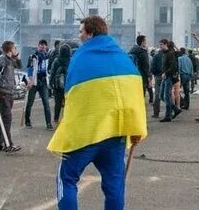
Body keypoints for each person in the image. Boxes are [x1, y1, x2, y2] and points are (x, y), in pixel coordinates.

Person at [48, 16, 146, 210]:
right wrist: (137, 127)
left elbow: (72, 95)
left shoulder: (80, 57)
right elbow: (134, 93)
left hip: (85, 134)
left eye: (81, 31)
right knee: (115, 186)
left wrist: (65, 124)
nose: (79, 35)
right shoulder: (122, 57)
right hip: (115, 133)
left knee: (66, 178)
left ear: (90, 33)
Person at [0, 41, 21, 153]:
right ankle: (8, 143)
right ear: (10, 49)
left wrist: (17, 57)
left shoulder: (10, 60)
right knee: (7, 119)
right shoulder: (1, 59)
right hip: (3, 93)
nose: (15, 49)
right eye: (14, 48)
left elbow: (20, 66)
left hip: (9, 92)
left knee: (3, 118)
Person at [25, 39, 53, 130]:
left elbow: (49, 69)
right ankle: (27, 121)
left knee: (46, 103)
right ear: (38, 46)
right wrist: (30, 79)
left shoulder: (48, 56)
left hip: (44, 81)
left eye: (44, 45)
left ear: (46, 46)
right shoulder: (33, 56)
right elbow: (29, 68)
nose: (42, 46)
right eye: (41, 45)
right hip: (34, 81)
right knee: (30, 102)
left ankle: (48, 123)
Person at [158, 39, 182, 122]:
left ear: (165, 44)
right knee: (161, 95)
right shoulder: (164, 54)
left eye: (161, 44)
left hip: (169, 77)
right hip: (165, 76)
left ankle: (168, 115)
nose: (160, 46)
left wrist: (166, 73)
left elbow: (173, 67)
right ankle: (175, 109)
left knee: (166, 96)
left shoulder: (170, 53)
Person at [50, 43, 72, 124]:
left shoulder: (56, 60)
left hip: (57, 86)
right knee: (68, 103)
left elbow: (52, 73)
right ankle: (66, 119)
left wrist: (51, 83)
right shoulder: (70, 61)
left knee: (57, 104)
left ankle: (56, 119)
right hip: (68, 86)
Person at [128, 35, 152, 104]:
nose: (146, 42)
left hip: (133, 74)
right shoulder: (143, 51)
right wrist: (148, 76)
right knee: (142, 92)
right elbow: (146, 65)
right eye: (145, 41)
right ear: (142, 42)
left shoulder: (132, 50)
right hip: (142, 75)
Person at [150, 47, 164, 117]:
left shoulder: (156, 56)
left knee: (157, 95)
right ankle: (171, 110)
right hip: (166, 76)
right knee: (167, 94)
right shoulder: (167, 55)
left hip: (158, 76)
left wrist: (155, 74)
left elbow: (152, 68)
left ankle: (156, 113)